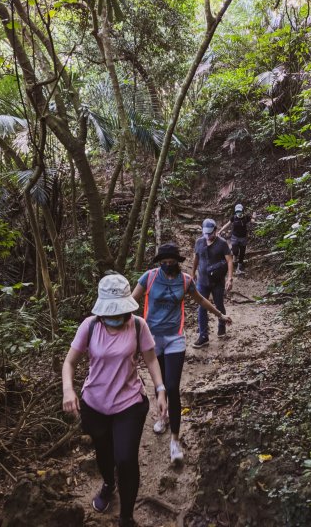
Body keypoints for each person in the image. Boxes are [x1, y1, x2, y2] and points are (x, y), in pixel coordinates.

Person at [62, 273, 167, 527]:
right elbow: (70, 362)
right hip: (94, 404)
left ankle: (126, 516)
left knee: (126, 458)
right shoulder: (89, 326)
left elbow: (151, 359)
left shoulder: (138, 325)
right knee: (104, 451)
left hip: (129, 402)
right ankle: (109, 484)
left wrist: (160, 389)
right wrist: (68, 389)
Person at [132, 242, 231, 463]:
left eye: (171, 262)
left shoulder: (185, 280)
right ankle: (162, 416)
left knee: (173, 386)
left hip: (175, 338)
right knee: (161, 385)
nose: (168, 265)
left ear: (177, 261)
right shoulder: (148, 278)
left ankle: (175, 440)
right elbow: (131, 302)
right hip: (152, 339)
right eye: (164, 262)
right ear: (159, 263)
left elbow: (201, 300)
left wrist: (220, 315)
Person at [192, 218, 234, 348]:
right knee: (201, 307)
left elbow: (229, 261)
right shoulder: (199, 242)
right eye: (205, 233)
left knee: (219, 304)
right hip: (202, 281)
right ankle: (203, 336)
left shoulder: (222, 244)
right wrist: (192, 273)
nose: (208, 236)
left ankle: (221, 326)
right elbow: (196, 258)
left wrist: (230, 278)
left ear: (215, 231)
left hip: (217, 282)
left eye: (210, 233)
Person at [219, 203, 255, 275]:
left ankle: (239, 267)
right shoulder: (234, 217)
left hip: (243, 238)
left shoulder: (246, 217)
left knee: (242, 253)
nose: (238, 212)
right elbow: (227, 224)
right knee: (235, 251)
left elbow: (252, 221)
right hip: (235, 237)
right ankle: (234, 257)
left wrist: (254, 217)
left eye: (240, 211)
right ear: (235, 211)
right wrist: (220, 230)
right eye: (237, 211)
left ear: (242, 210)